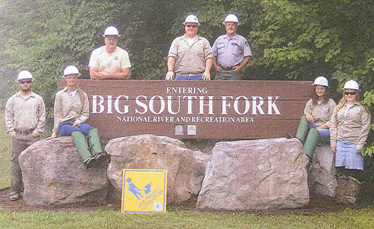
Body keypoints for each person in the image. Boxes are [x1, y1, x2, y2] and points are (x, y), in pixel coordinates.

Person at [49, 65, 108, 168]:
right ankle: (87, 158)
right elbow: (57, 113)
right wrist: (54, 132)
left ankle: (98, 154)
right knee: (77, 132)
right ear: (65, 79)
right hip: (65, 124)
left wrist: (79, 121)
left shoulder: (82, 94)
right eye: (69, 77)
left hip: (78, 122)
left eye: (74, 77)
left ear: (77, 79)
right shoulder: (60, 95)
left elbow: (85, 113)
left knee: (92, 130)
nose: (72, 80)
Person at [4, 71, 46, 201]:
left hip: (32, 135)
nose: (25, 84)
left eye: (28, 81)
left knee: (33, 162)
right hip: (18, 135)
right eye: (23, 82)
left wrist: (38, 131)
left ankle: (32, 190)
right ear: (19, 83)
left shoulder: (37, 99)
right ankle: (14, 191)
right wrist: (11, 132)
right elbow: (8, 117)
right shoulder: (13, 100)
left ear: (31, 82)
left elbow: (42, 115)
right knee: (16, 162)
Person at [330, 80, 371, 204]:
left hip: (354, 141)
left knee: (355, 168)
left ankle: (350, 198)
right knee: (341, 168)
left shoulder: (362, 108)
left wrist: (360, 143)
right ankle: (340, 197)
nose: (349, 96)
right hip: (340, 141)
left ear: (356, 94)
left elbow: (365, 126)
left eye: (352, 93)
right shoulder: (339, 107)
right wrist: (333, 141)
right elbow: (333, 124)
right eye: (347, 93)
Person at [295, 76, 336, 158]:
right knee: (304, 118)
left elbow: (334, 119)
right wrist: (308, 115)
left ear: (326, 90)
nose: (319, 91)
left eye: (322, 89)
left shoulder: (331, 103)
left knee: (314, 132)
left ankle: (306, 157)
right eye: (317, 89)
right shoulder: (311, 102)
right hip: (314, 125)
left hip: (326, 130)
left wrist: (324, 126)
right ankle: (297, 143)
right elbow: (306, 112)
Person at [165, 14, 213, 80]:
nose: (191, 28)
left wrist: (207, 71)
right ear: (185, 26)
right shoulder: (177, 41)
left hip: (199, 77)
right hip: (180, 77)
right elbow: (171, 56)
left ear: (197, 27)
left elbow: (209, 57)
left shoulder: (204, 42)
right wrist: (170, 70)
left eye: (194, 26)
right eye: (188, 25)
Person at [212, 14, 252, 80]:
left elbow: (248, 56)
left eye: (233, 25)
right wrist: (215, 66)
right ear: (225, 26)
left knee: (234, 90)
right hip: (220, 72)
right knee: (218, 90)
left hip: (234, 73)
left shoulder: (241, 40)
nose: (230, 27)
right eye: (228, 25)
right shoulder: (219, 39)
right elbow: (212, 55)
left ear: (236, 26)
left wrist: (240, 67)